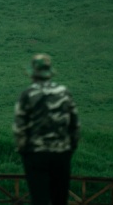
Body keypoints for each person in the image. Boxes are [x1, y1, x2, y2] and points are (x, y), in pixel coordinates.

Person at [13, 53, 80, 205]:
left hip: (36, 153)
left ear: (33, 73)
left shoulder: (27, 94)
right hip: (61, 153)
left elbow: (19, 127)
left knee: (39, 198)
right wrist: (70, 148)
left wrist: (23, 150)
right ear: (50, 72)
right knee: (60, 198)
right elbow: (75, 124)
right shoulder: (64, 92)